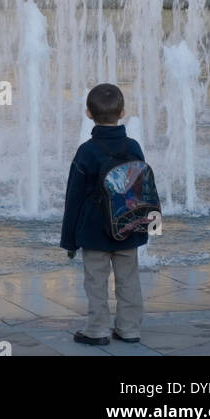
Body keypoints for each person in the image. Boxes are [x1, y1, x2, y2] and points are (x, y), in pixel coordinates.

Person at [60, 82, 149, 346]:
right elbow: (142, 190)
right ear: (123, 113)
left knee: (96, 282)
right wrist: (146, 228)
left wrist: (69, 240)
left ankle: (97, 329)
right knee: (129, 280)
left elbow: (73, 198)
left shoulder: (86, 152)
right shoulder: (133, 147)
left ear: (88, 113)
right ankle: (129, 328)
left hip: (94, 232)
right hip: (127, 229)